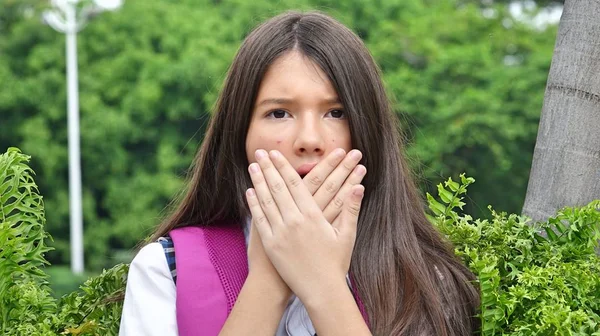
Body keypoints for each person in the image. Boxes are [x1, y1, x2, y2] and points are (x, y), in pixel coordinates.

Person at [119, 10, 480, 336]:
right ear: (239, 132)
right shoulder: (166, 271)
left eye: (336, 112)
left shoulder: (426, 282)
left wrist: (322, 284)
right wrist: (269, 281)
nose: (309, 140)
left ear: (369, 131)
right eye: (279, 113)